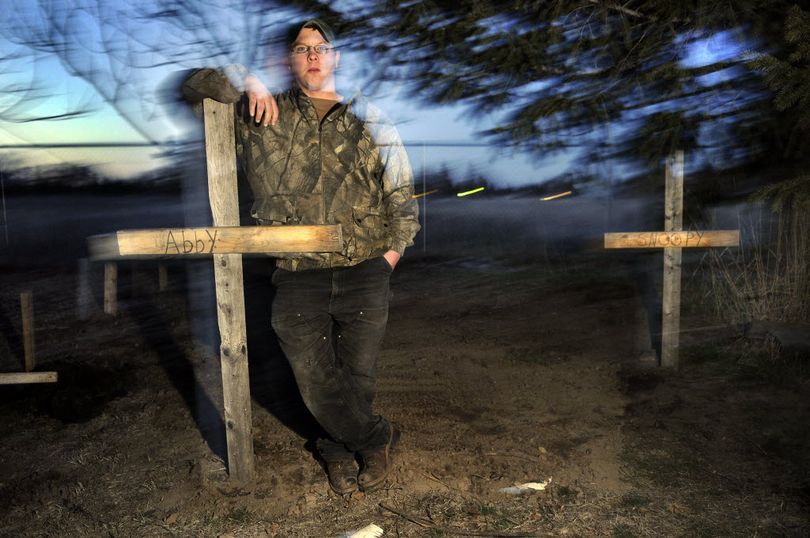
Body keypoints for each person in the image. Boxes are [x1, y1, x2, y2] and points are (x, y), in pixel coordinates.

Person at [182, 19, 420, 494]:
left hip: (366, 267)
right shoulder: (259, 112)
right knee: (312, 377)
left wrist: (392, 253)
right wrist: (243, 75)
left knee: (357, 374)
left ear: (335, 58)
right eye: (302, 48)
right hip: (297, 273)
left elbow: (400, 188)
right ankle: (376, 438)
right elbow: (192, 88)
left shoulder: (368, 116)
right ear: (291, 60)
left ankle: (337, 453)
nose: (313, 55)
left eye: (322, 48)